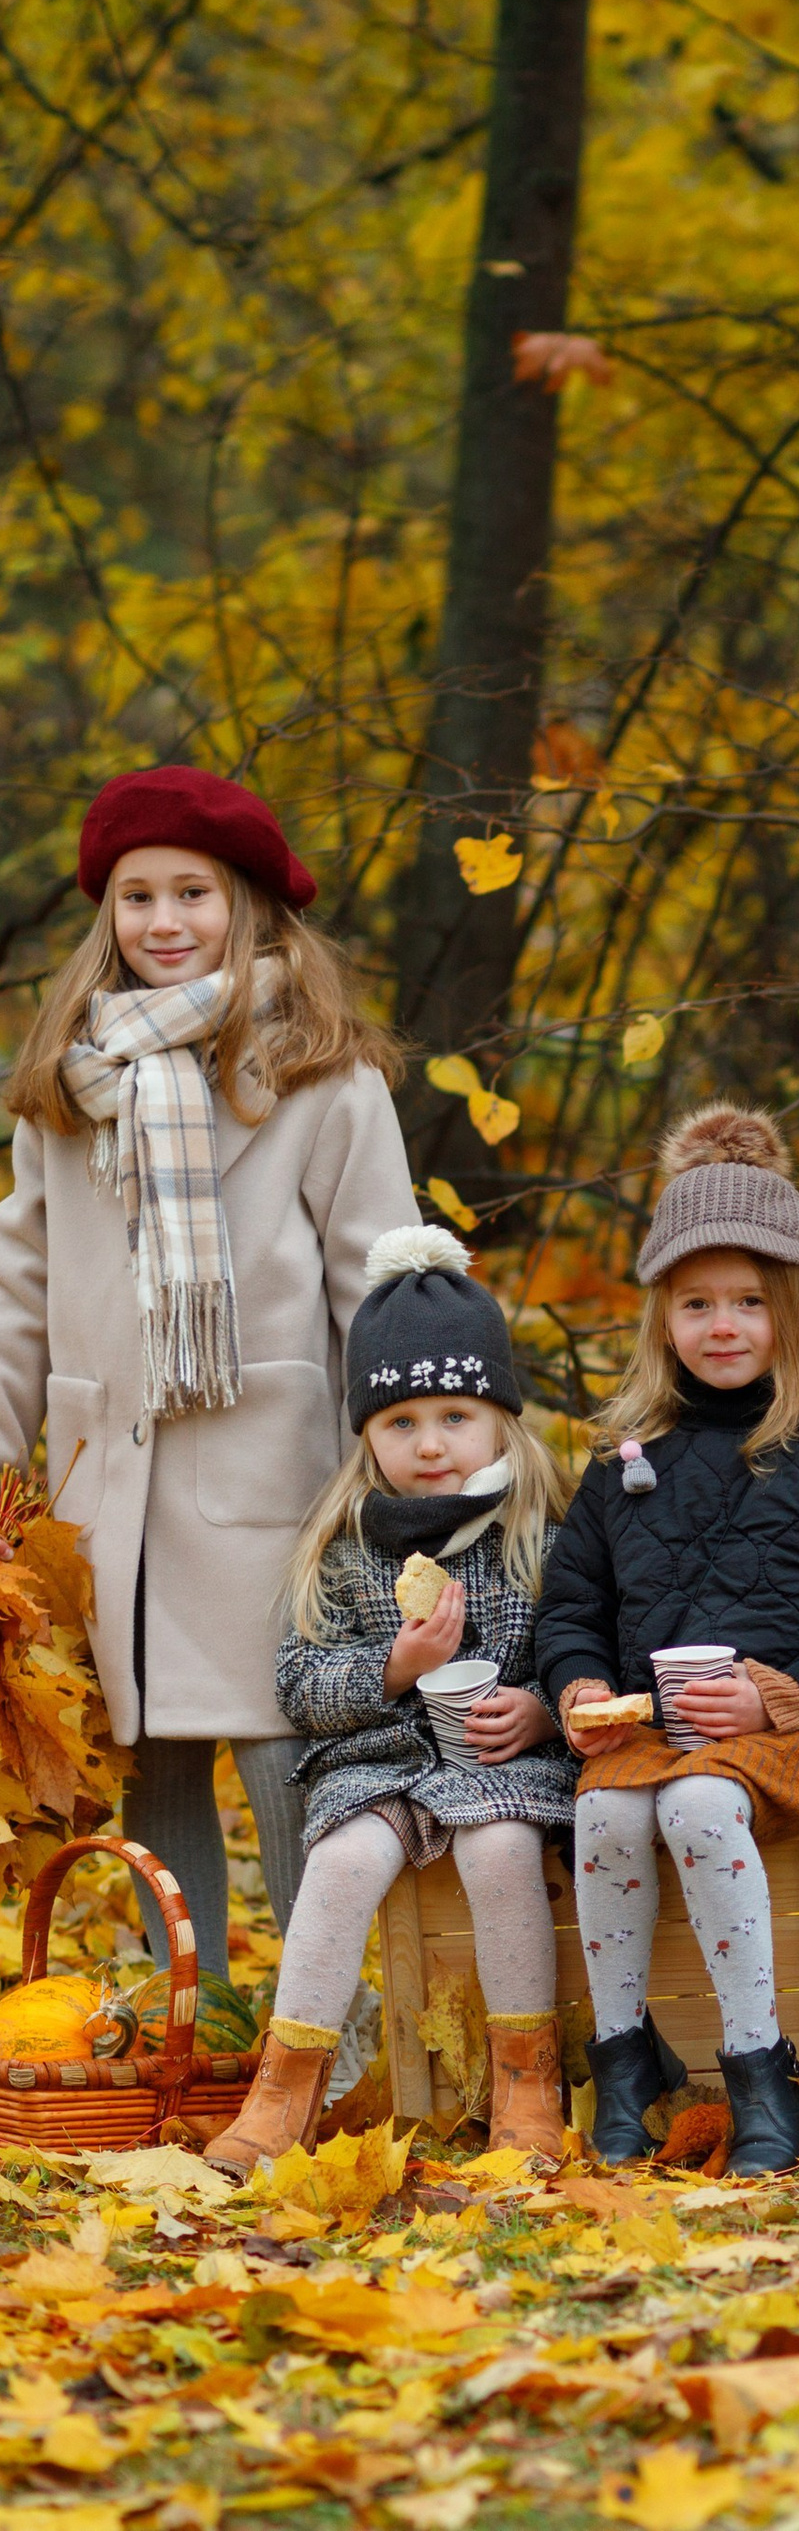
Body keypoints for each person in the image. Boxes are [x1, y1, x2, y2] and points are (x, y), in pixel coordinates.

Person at [0, 768, 411, 1976]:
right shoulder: (66, 1093)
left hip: (273, 1484)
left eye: (193, 891)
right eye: (138, 896)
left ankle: (317, 2043)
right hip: (105, 1494)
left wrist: (402, 1473)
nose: (165, 920)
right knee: (156, 1759)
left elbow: (381, 1290)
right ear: (106, 916)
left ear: (250, 907)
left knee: (284, 1755)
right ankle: (200, 2030)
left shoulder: (323, 1080)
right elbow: (19, 1293)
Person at [537, 1104, 799, 2175]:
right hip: (658, 1732)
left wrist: (783, 1694)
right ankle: (625, 2059)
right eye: (698, 1302)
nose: (723, 1325)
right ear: (663, 1316)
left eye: (749, 1302)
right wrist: (577, 1686)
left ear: (791, 1314)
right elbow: (570, 1606)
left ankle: (763, 2065)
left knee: (700, 1805)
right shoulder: (624, 1466)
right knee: (611, 1810)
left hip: (798, 1736)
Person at [207, 1227, 574, 2172]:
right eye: (401, 1423)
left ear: (500, 1420)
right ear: (367, 1433)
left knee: (502, 1855)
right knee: (336, 1866)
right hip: (378, 1767)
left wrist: (538, 1709)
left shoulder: (539, 1529)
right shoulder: (344, 1540)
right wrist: (392, 1672)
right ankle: (285, 2090)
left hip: (501, 1766)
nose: (431, 1444)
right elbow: (298, 1683)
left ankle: (528, 2082)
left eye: (456, 1416)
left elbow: (585, 1649)